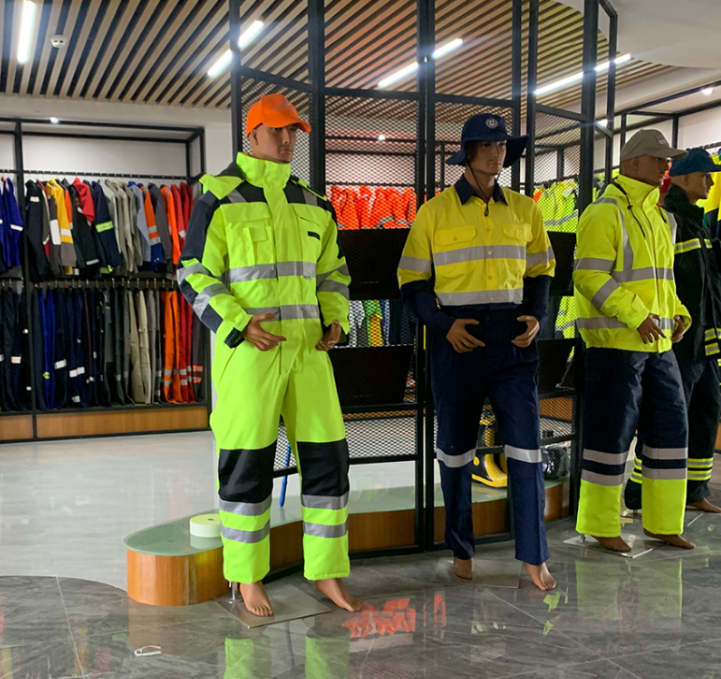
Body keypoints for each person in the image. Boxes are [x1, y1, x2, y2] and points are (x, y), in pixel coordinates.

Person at [178, 93, 359, 617]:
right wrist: (238, 325)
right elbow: (193, 273)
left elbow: (334, 273)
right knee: (246, 468)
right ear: (251, 134)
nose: (286, 140)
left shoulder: (314, 203)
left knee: (328, 466)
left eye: (292, 131)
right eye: (276, 130)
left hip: (310, 356)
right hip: (249, 358)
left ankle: (326, 571)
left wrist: (336, 320)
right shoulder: (219, 196)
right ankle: (247, 576)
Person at [398, 113, 557, 591]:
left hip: (513, 341)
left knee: (526, 448)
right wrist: (444, 326)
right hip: (458, 343)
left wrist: (537, 315)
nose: (496, 153)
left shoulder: (526, 211)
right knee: (455, 451)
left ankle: (534, 555)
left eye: (502, 145)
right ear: (467, 153)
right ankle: (460, 547)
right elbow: (411, 283)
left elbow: (542, 272)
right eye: (487, 145)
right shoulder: (434, 212)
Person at [574, 129, 694, 552]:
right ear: (631, 163)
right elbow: (588, 276)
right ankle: (601, 524)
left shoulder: (663, 218)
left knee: (670, 431)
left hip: (658, 346)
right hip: (615, 345)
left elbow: (663, 281)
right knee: (611, 437)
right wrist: (637, 315)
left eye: (667, 160)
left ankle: (663, 522)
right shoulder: (603, 212)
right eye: (658, 159)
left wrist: (679, 313)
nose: (665, 166)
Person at [624, 148, 721, 514]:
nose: (710, 182)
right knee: (666, 417)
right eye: (704, 175)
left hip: (704, 341)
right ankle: (640, 491)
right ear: (682, 178)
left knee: (706, 411)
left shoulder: (697, 223)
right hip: (677, 341)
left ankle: (694, 490)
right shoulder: (668, 221)